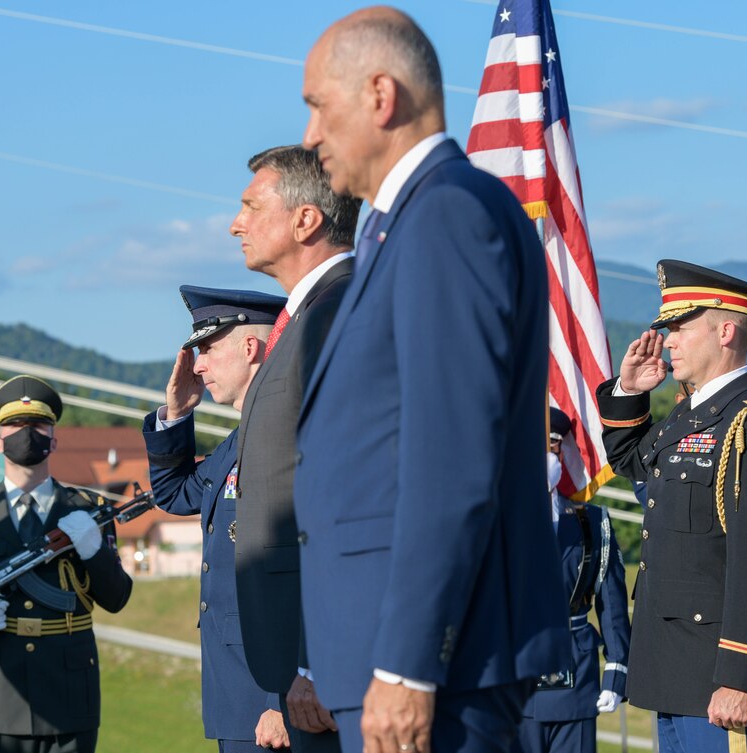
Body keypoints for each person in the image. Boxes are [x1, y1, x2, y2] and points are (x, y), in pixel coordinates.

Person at [294, 8, 574, 753]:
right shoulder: (405, 224)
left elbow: (450, 460)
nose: (310, 136)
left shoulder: (446, 213)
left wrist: (409, 662)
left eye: (319, 107)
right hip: (388, 652)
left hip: (434, 666)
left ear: (380, 96)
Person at [596, 260, 747, 753]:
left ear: (726, 330)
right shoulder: (691, 416)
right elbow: (633, 462)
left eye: (681, 328)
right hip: (675, 674)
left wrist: (741, 676)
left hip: (719, 684)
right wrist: (629, 392)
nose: (668, 341)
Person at [229, 145, 359, 753]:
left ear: (305, 220)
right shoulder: (307, 315)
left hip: (330, 662)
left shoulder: (336, 313)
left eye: (252, 206)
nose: (237, 223)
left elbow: (344, 493)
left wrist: (315, 661)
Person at [0, 375, 133, 753]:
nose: (27, 433)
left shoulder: (87, 509)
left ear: (53, 438)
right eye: (15, 425)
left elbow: (117, 597)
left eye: (38, 425)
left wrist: (93, 551)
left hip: (69, 690)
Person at [142, 286, 291, 753]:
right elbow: (175, 493)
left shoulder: (288, 434)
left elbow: (304, 575)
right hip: (238, 695)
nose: (198, 365)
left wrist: (281, 697)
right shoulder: (238, 441)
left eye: (207, 349)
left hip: (274, 698)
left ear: (250, 348)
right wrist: (177, 416)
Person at [515, 410, 630, 753]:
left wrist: (616, 670)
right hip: (511, 679)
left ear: (563, 453)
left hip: (573, 677)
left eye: (551, 448)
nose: (544, 457)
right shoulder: (495, 520)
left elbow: (611, 604)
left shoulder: (592, 523)